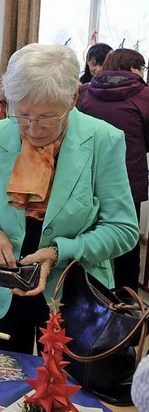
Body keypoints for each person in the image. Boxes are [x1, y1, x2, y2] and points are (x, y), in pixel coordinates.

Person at [0, 43, 139, 354]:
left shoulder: (103, 140)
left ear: (73, 99)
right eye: (22, 114)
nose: (33, 129)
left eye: (47, 117)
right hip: (2, 294)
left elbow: (123, 229)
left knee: (59, 394)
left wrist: (61, 251)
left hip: (74, 295)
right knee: (2, 384)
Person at [76, 48, 149, 292]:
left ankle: (89, 294)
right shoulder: (144, 95)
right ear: (133, 69)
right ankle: (127, 302)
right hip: (127, 178)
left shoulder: (85, 92)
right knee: (127, 239)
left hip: (87, 174)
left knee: (88, 232)